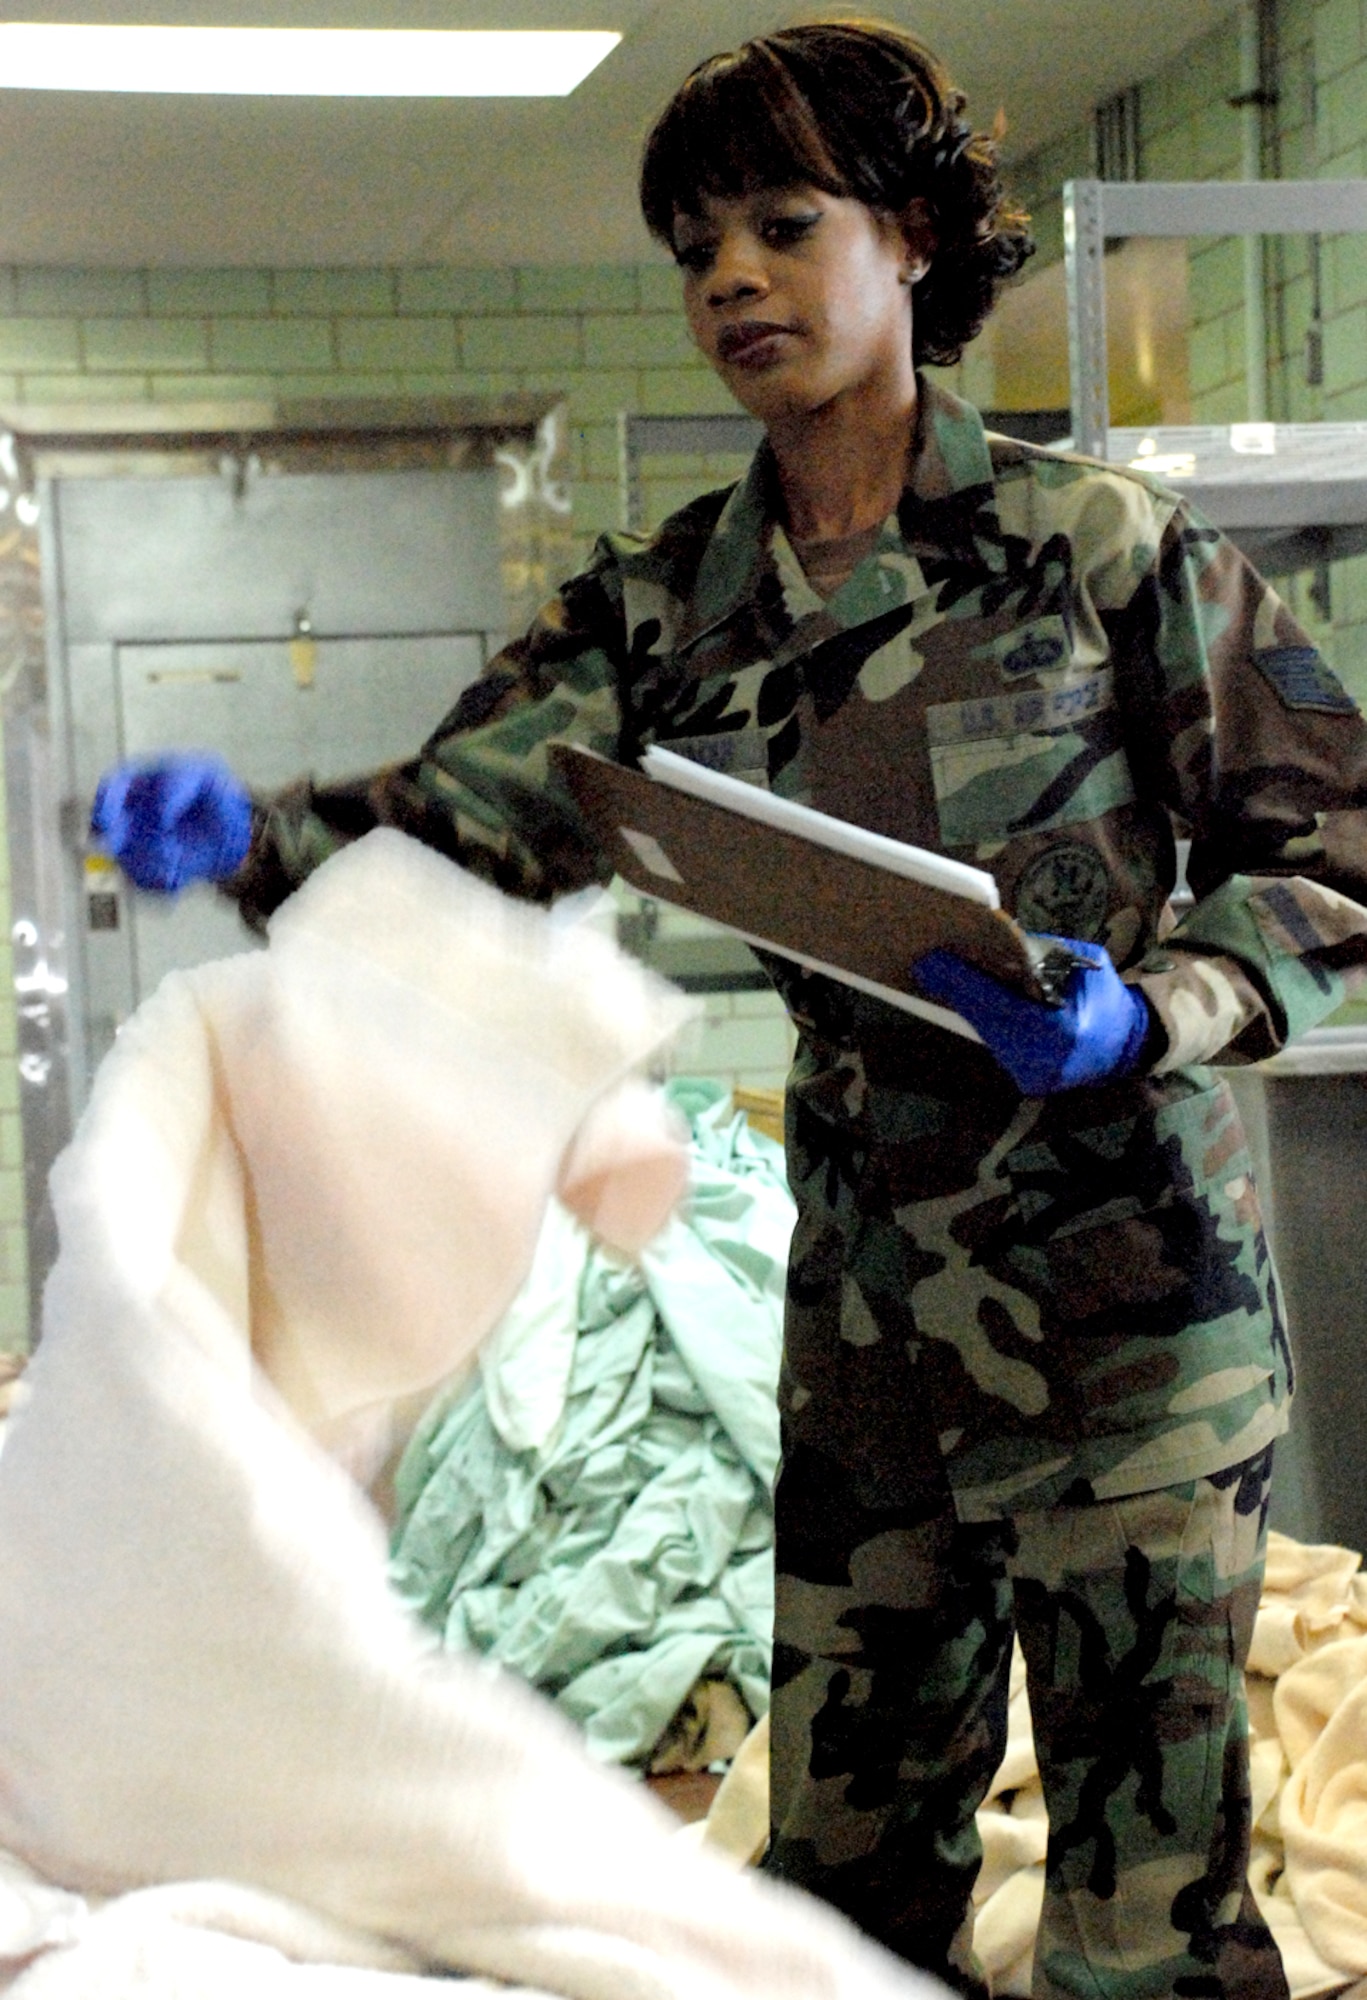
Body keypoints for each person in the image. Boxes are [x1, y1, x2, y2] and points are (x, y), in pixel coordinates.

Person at [88, 18, 1367, 1999]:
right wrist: (245, 830)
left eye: (784, 223)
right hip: (863, 1325)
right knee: (836, 1893)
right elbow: (458, 828)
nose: (732, 283)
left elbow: (1341, 851)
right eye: (696, 249)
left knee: (1144, 1914)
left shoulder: (1101, 552)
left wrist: (1166, 1004)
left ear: (918, 240)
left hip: (1129, 1326)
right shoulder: (666, 607)